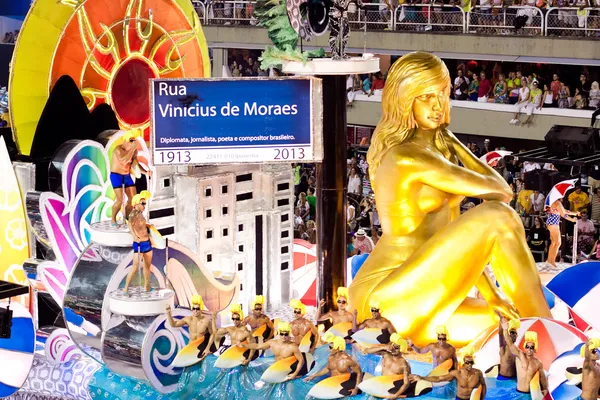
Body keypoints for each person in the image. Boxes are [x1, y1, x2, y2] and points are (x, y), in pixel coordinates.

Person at [349, 52, 551, 347]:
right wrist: (456, 142)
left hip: (422, 299)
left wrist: (493, 296)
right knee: (499, 216)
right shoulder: (406, 156)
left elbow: (456, 234)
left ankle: (541, 336)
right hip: (383, 300)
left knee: (510, 324)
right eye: (425, 96)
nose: (437, 105)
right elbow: (502, 191)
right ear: (404, 99)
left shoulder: (438, 151)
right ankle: (549, 333)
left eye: (442, 94)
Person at [412, 348, 486, 400]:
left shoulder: (478, 373)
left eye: (471, 362)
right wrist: (422, 378)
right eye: (467, 362)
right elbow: (439, 378)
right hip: (459, 398)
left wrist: (482, 398)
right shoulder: (457, 373)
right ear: (463, 363)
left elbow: (483, 385)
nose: (469, 365)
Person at [241, 322, 306, 381]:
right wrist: (245, 345)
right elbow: (257, 346)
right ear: (279, 332)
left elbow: (301, 360)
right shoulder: (272, 343)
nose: (283, 336)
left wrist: (295, 374)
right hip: (277, 369)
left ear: (289, 334)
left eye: (286, 334)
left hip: (289, 371)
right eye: (281, 333)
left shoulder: (293, 346)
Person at [360, 334, 412, 399]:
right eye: (393, 346)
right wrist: (383, 347)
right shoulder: (386, 354)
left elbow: (406, 383)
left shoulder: (404, 364)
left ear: (401, 349)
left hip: (393, 389)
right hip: (382, 385)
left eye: (396, 348)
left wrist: (396, 395)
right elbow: (367, 351)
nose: (393, 349)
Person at [501, 324, 548, 396]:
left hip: (529, 395)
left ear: (535, 349)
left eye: (532, 347)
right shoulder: (520, 355)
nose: (529, 349)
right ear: (525, 347)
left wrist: (545, 389)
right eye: (527, 346)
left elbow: (542, 378)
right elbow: (509, 343)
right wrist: (505, 329)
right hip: (517, 393)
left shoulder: (538, 363)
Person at [166, 295, 214, 361]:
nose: (195, 311)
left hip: (202, 348)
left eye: (197, 309)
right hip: (191, 348)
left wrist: (208, 348)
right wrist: (168, 312)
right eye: (193, 309)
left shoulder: (207, 321)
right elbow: (174, 324)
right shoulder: (188, 319)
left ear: (201, 309)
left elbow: (213, 334)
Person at [123, 192, 153, 294]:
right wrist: (134, 235)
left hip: (147, 243)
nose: (144, 205)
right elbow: (130, 224)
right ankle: (126, 289)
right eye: (142, 203)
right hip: (139, 243)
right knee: (135, 267)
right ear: (136, 204)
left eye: (144, 203)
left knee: (147, 267)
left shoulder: (140, 215)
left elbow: (143, 227)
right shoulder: (133, 213)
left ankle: (147, 286)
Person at [110, 130, 141, 225]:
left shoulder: (133, 151)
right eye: (131, 140)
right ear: (126, 141)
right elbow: (124, 160)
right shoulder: (118, 150)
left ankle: (127, 218)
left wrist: (145, 172)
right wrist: (131, 149)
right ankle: (113, 219)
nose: (134, 143)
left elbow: (135, 164)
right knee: (120, 200)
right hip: (116, 176)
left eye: (134, 140)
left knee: (133, 199)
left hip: (127, 175)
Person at [546, 197, 579, 267]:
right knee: (558, 243)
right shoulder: (557, 202)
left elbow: (564, 211)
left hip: (550, 223)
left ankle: (549, 260)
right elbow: (563, 214)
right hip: (554, 224)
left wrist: (574, 213)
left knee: (554, 242)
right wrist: (572, 220)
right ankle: (552, 261)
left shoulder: (553, 202)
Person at [497, 314, 520, 379]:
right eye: (512, 332)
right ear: (508, 334)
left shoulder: (517, 350)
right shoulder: (503, 347)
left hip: (513, 379)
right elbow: (500, 334)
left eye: (515, 333)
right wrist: (501, 319)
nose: (513, 335)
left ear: (517, 336)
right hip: (503, 379)